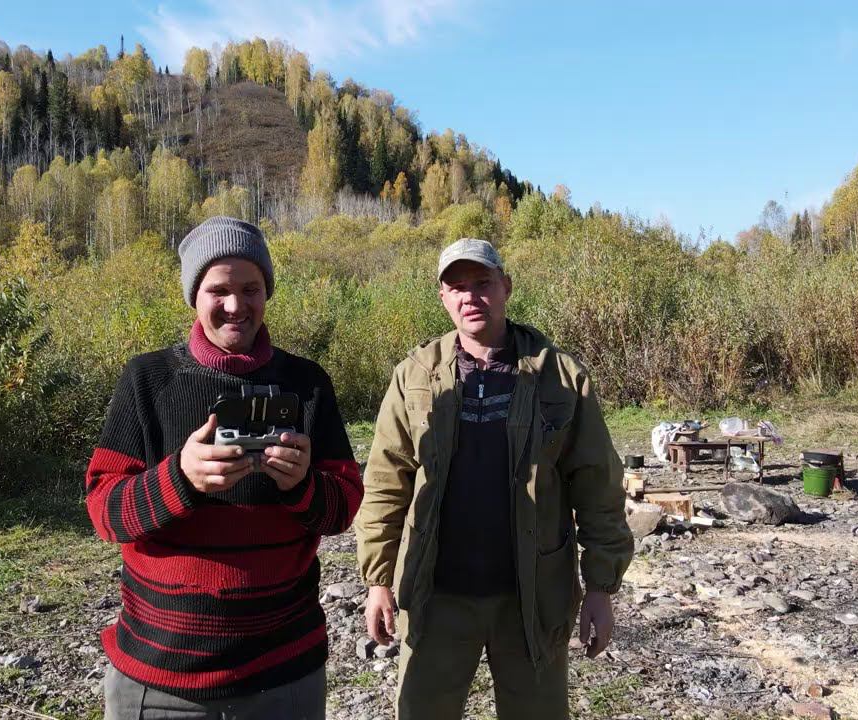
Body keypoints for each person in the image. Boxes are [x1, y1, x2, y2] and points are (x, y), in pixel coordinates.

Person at [85, 216, 363, 720]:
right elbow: (105, 511)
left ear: (267, 292)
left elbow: (343, 508)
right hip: (161, 679)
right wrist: (179, 478)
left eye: (250, 288)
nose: (236, 305)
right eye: (219, 290)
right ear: (194, 295)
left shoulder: (306, 384)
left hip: (285, 674)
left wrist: (303, 485)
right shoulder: (148, 380)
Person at [355, 237, 634, 719]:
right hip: (435, 595)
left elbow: (598, 485)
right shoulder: (414, 376)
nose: (470, 296)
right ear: (443, 297)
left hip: (533, 597)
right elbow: (385, 483)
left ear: (506, 286)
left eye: (482, 283)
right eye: (456, 287)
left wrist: (600, 588)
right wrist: (379, 581)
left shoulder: (559, 376)